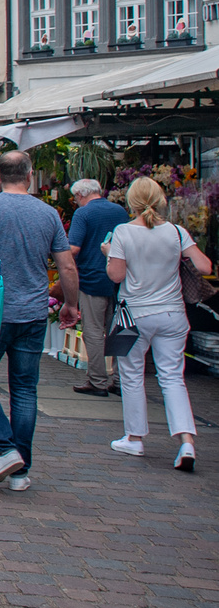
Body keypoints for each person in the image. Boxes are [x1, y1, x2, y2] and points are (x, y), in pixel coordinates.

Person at [0, 150, 80, 491]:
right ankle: (20, 471)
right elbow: (67, 266)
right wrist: (70, 304)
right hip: (32, 312)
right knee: (25, 390)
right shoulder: (48, 213)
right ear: (29, 175)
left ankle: (4, 446)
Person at [106, 177, 210, 472]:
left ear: (131, 201)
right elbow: (204, 267)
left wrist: (107, 254)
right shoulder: (177, 232)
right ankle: (186, 441)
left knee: (132, 375)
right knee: (173, 378)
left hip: (135, 315)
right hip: (172, 314)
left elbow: (115, 276)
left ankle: (135, 437)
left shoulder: (123, 232)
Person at [67, 178, 129, 397]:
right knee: (118, 329)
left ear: (81, 195)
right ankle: (122, 380)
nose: (76, 202)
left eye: (75, 198)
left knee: (93, 331)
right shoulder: (120, 211)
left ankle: (97, 380)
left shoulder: (83, 214)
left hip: (92, 277)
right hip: (118, 278)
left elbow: (73, 248)